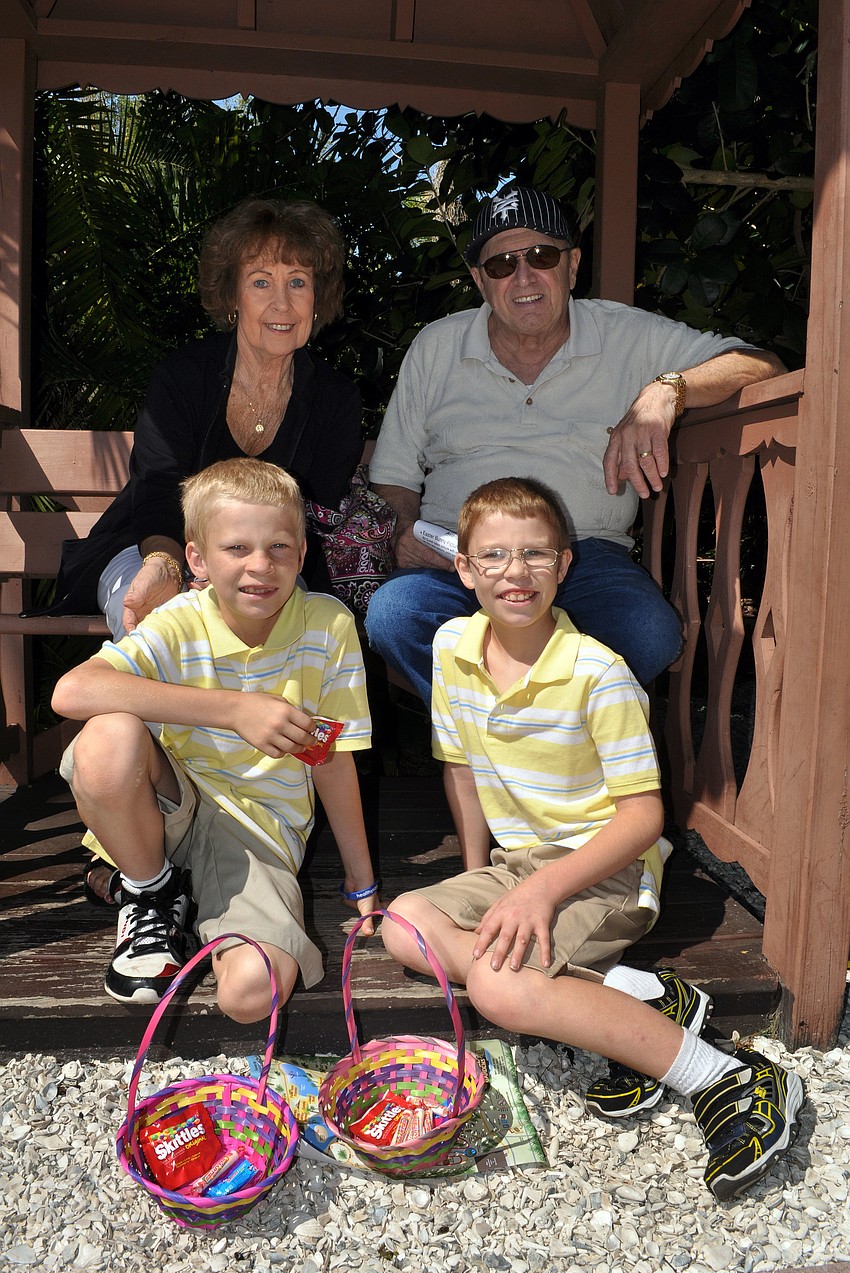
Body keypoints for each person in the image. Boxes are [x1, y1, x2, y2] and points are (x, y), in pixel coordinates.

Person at [380, 476, 804, 1202]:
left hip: (608, 870)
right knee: (403, 923)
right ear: (464, 568)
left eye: (536, 555)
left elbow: (643, 818)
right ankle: (638, 997)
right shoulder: (453, 645)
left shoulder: (597, 673)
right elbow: (460, 767)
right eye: (496, 556)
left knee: (497, 984)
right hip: (521, 863)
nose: (516, 572)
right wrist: (483, 884)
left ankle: (727, 1075)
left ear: (565, 565)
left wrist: (540, 892)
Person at [365, 185, 786, 701]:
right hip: (461, 560)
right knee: (395, 615)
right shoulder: (436, 346)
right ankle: (541, 748)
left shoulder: (627, 334)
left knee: (649, 634)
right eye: (501, 265)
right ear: (479, 280)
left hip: (581, 558)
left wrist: (665, 391)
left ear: (572, 265)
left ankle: (503, 744)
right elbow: (394, 475)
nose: (523, 277)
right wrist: (406, 531)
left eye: (542, 256)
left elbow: (761, 364)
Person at [51, 458, 380, 1018]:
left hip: (257, 830)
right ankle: (151, 889)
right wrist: (234, 710)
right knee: (106, 737)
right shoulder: (180, 618)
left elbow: (331, 760)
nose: (260, 566)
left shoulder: (329, 626)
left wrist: (361, 882)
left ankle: (177, 897)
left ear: (303, 553)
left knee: (254, 994)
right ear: (197, 560)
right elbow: (72, 692)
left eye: (279, 547)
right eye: (237, 549)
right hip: (168, 810)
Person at [44, 195, 362, 641]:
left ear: (317, 297)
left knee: (284, 632)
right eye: (260, 282)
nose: (281, 303)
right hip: (155, 547)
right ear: (233, 296)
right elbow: (156, 491)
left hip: (269, 562)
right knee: (160, 624)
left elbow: (309, 517)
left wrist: (234, 571)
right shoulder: (182, 376)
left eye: (297, 282)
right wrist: (167, 566)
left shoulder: (337, 399)